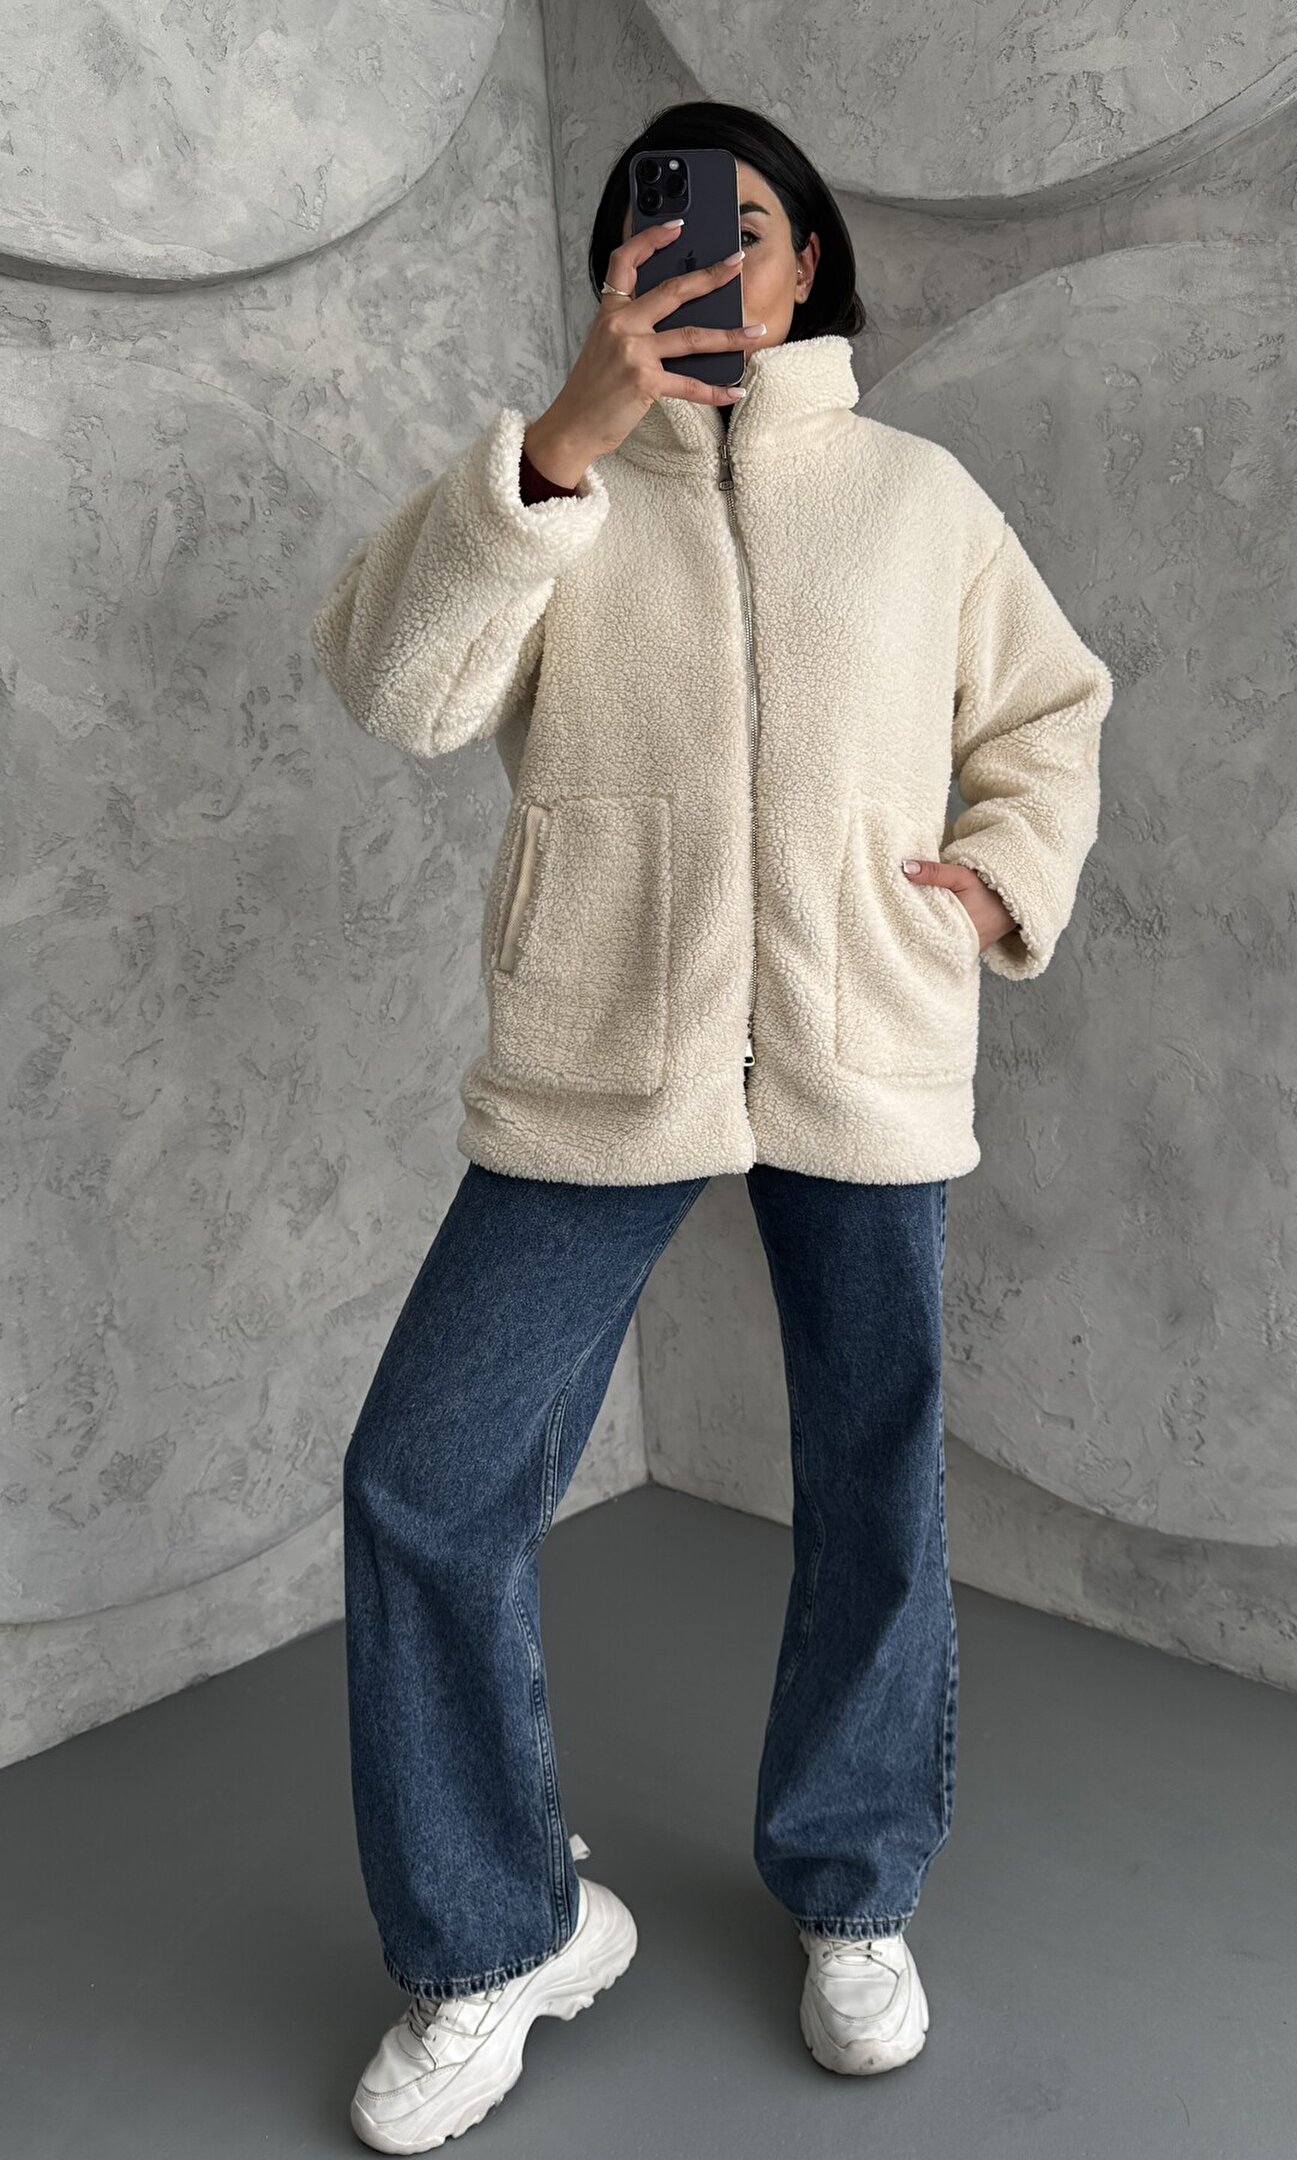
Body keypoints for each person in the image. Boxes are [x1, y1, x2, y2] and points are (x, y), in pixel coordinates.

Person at [310, 98, 1113, 2152]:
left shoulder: (919, 500)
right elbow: (396, 688)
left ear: (808, 259)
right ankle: (497, 1937)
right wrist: (555, 456)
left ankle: (854, 1890)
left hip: (865, 1042)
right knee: (425, 1474)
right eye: (663, 230)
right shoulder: (554, 486)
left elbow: (1048, 711)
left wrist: (996, 882)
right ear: (618, 270)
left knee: (874, 1473)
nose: (708, 258)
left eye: (745, 227)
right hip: (605, 1052)